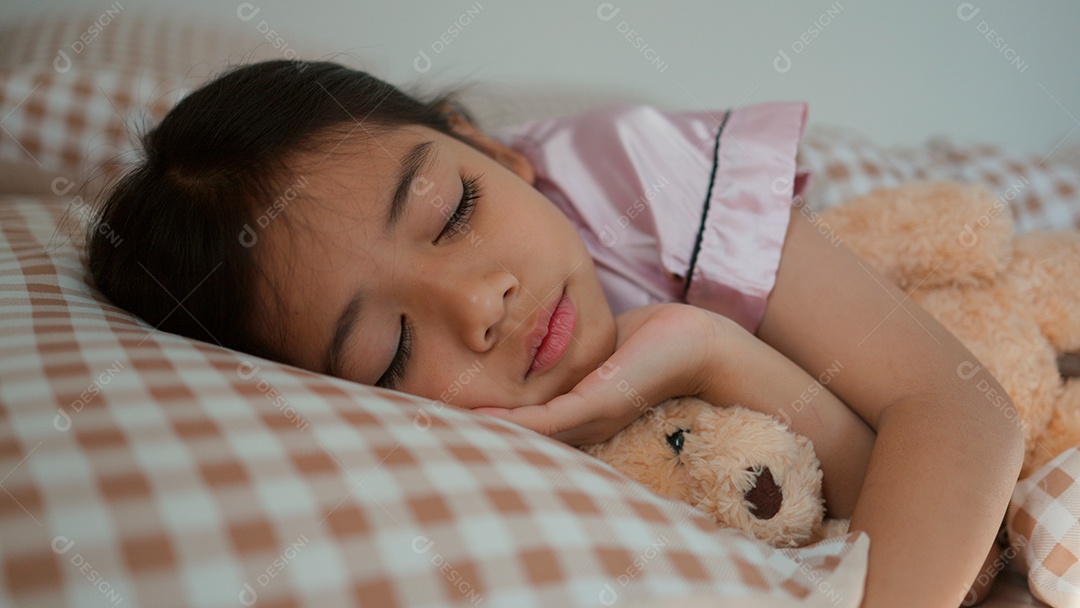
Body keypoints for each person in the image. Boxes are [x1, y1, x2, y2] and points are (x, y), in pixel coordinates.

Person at [87, 59, 1023, 607]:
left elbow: (961, 417)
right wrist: (716, 357)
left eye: (452, 212)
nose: (479, 302)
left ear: (496, 152)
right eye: (393, 352)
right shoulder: (478, 452)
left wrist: (709, 344)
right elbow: (867, 485)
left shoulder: (632, 177)